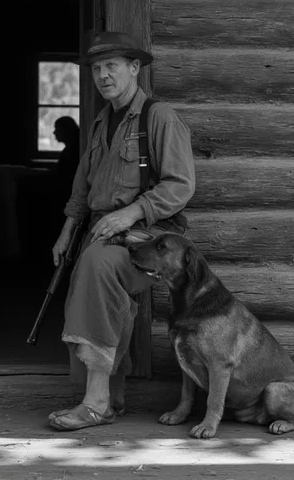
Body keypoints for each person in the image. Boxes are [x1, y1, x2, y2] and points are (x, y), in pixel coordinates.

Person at [47, 31, 196, 431]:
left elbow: (181, 185)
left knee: (97, 268)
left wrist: (131, 213)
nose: (102, 75)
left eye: (112, 65)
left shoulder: (158, 117)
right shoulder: (100, 122)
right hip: (105, 234)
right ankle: (111, 398)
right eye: (96, 68)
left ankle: (95, 402)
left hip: (152, 239)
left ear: (135, 68)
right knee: (97, 283)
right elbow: (83, 187)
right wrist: (66, 231)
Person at [52, 115, 81, 194]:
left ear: (65, 130)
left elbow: (61, 176)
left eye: (56, 128)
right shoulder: (72, 148)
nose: (54, 132)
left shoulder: (72, 151)